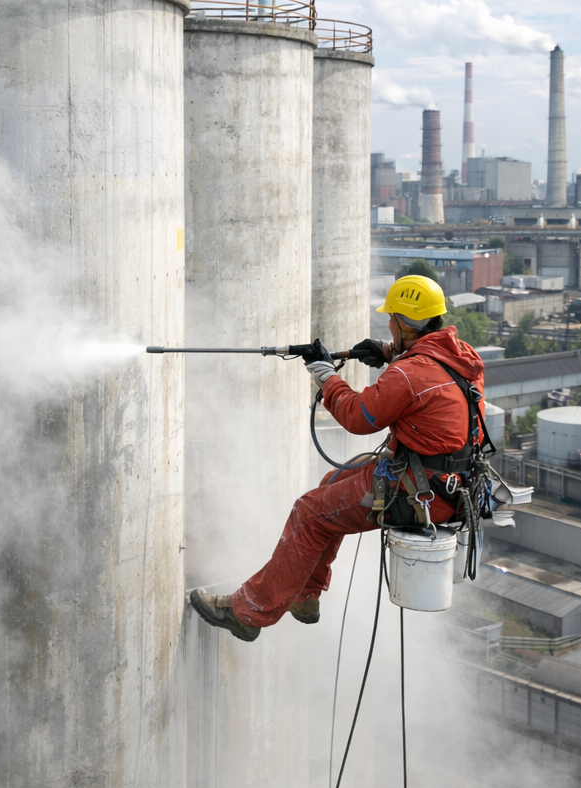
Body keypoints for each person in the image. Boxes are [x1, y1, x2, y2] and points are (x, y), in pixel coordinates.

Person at [188, 274, 485, 641]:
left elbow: (358, 417)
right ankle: (305, 593)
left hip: (417, 491)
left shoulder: (409, 375)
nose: (387, 322)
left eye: (391, 318)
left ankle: (248, 613)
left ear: (404, 323)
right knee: (331, 485)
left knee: (309, 513)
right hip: (446, 484)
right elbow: (426, 374)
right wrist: (388, 351)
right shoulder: (460, 356)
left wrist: (326, 377)